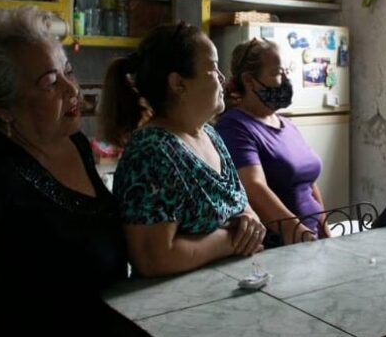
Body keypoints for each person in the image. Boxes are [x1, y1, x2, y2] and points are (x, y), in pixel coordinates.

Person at [0, 7, 148, 336]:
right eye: (50, 83)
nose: (72, 90)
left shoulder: (73, 143)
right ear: (1, 105)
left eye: (68, 71)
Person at [99, 22, 265, 277]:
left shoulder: (209, 134)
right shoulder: (152, 152)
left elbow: (238, 205)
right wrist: (230, 241)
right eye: (212, 67)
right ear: (178, 83)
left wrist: (248, 220)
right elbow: (153, 257)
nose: (222, 77)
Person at [216, 38, 331, 247]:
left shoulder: (287, 124)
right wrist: (293, 229)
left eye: (285, 71)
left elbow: (309, 181)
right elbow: (253, 186)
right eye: (277, 73)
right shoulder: (234, 126)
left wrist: (325, 229)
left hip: (311, 239)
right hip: (281, 245)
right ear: (249, 81)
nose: (285, 79)